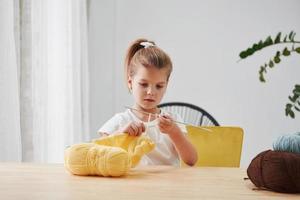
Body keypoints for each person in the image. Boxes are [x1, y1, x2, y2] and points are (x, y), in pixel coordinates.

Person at [98, 38, 197, 166]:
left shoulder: (173, 120)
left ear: (166, 86)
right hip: (132, 184)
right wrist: (121, 133)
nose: (151, 91)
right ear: (130, 82)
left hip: (168, 185)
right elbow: (98, 153)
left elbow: (191, 161)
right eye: (144, 84)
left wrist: (174, 131)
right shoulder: (121, 121)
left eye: (159, 86)